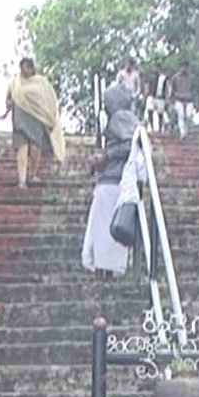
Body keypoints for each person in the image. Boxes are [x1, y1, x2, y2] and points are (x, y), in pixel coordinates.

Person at [82, 84, 140, 278]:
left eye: (107, 101)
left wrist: (106, 156)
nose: (105, 106)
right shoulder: (124, 118)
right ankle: (107, 269)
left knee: (104, 230)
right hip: (114, 178)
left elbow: (130, 145)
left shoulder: (120, 117)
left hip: (114, 180)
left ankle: (106, 270)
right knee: (104, 230)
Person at [6, 57, 65, 188]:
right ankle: (22, 180)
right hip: (19, 120)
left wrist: (50, 117)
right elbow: (9, 99)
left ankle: (32, 175)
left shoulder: (41, 83)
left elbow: (50, 100)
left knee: (35, 148)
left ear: (32, 68)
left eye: (26, 67)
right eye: (21, 67)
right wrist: (9, 105)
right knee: (22, 148)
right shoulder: (15, 82)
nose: (23, 70)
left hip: (36, 120)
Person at [169, 61, 194, 139]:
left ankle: (186, 131)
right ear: (180, 67)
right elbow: (172, 90)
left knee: (189, 116)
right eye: (183, 67)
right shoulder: (175, 78)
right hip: (179, 99)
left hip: (189, 100)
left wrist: (196, 101)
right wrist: (171, 100)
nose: (184, 69)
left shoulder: (191, 77)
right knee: (181, 116)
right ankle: (182, 133)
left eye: (186, 67)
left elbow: (195, 90)